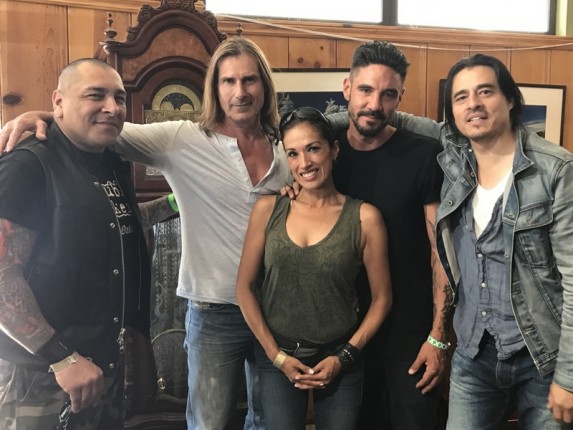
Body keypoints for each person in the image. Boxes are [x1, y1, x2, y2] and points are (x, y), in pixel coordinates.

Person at [0, 37, 290, 430]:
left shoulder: (289, 146)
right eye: (228, 81)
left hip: (275, 307)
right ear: (215, 88)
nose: (240, 92)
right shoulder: (183, 138)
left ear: (265, 86)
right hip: (211, 312)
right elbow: (97, 126)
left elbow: (100, 129)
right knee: (210, 422)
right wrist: (46, 115)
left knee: (276, 421)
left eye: (250, 80)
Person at [396, 53, 573, 429]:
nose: (473, 104)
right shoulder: (455, 160)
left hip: (543, 358)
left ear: (509, 99)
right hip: (474, 352)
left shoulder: (556, 170)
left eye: (485, 91)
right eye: (461, 97)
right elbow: (388, 117)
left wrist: (568, 377)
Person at [0, 58, 176, 430]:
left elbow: (118, 222)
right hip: (44, 377)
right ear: (58, 102)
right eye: (95, 95)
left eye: (119, 97)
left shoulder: (109, 162)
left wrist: (179, 203)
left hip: (101, 370)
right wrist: (61, 357)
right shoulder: (28, 165)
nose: (112, 107)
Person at [236, 107, 392, 429]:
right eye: (293, 153)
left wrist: (344, 358)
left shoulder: (365, 218)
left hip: (340, 355)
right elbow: (244, 288)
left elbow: (382, 300)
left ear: (334, 150)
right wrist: (276, 357)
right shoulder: (268, 209)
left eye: (313, 148)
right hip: (277, 354)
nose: (304, 163)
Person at [325, 41, 452, 430]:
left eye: (388, 94)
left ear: (400, 97)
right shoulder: (324, 157)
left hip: (410, 335)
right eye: (365, 90)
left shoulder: (424, 154)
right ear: (347, 88)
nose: (374, 104)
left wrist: (438, 337)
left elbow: (440, 251)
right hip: (341, 333)